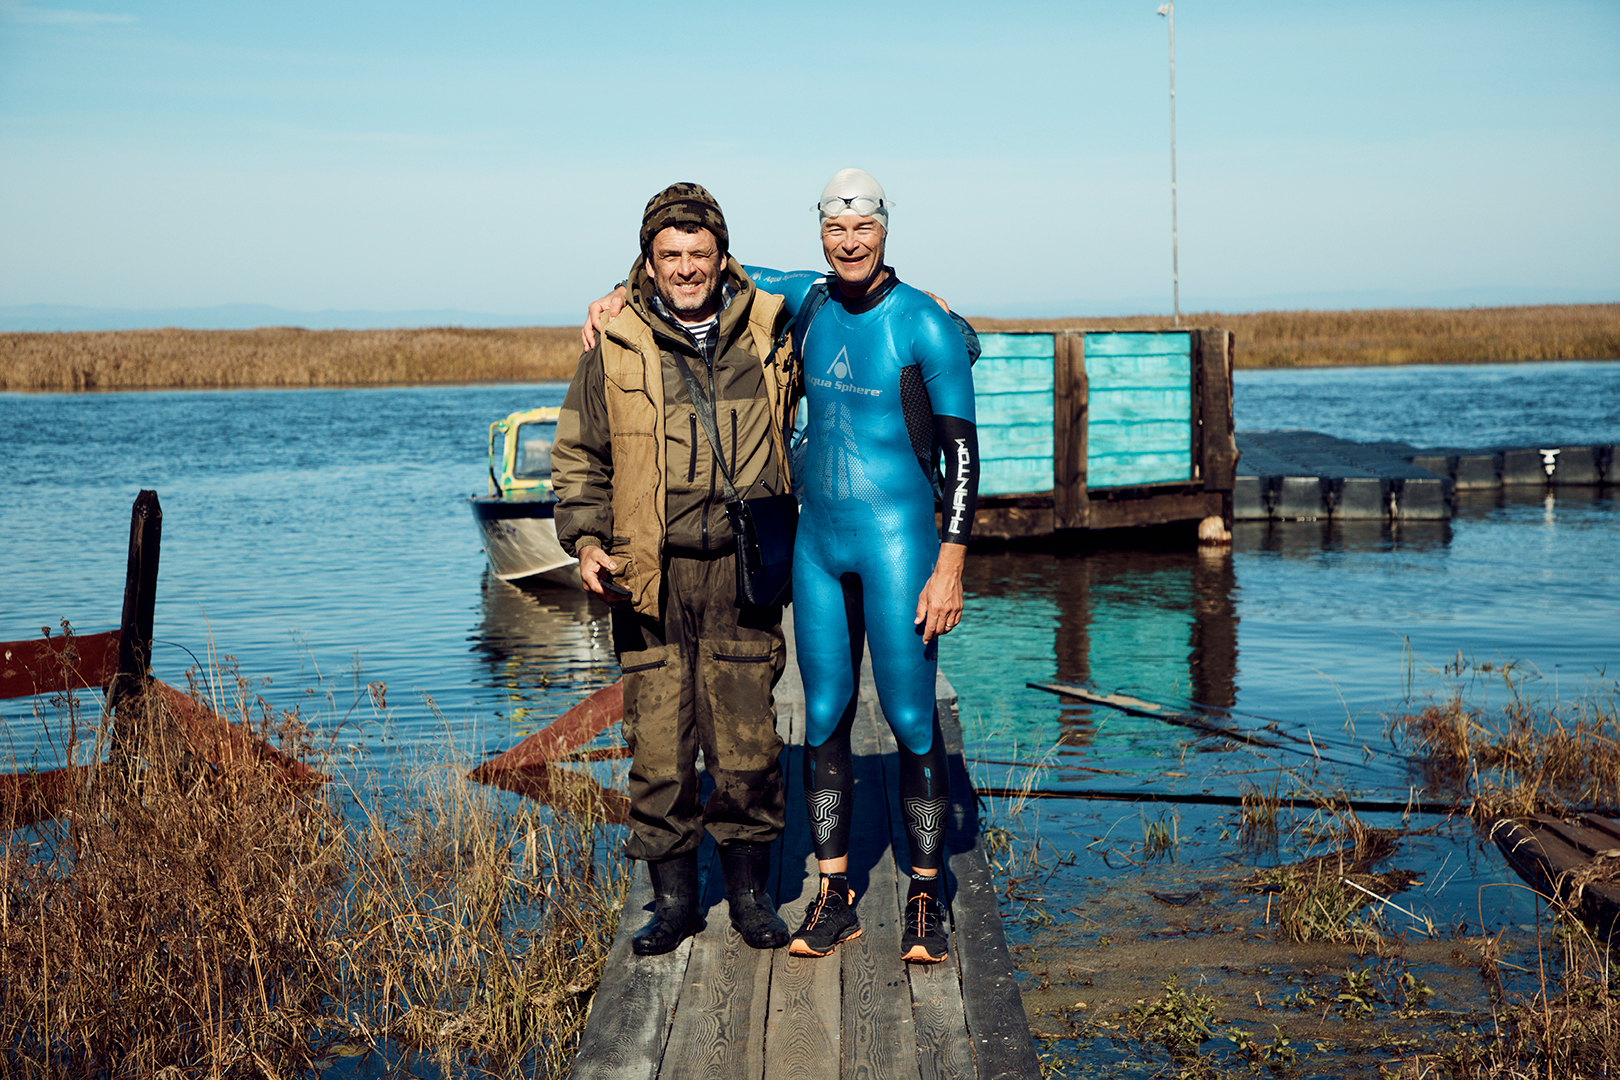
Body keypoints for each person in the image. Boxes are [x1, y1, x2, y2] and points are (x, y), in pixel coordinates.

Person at [584, 168, 980, 965]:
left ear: (885, 228)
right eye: (835, 228)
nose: (849, 241)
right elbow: (710, 266)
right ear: (822, 232)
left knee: (908, 717)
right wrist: (611, 295)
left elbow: (966, 457)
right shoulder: (807, 299)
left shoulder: (923, 324)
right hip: (817, 544)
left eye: (862, 227)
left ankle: (927, 898)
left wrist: (951, 564)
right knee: (825, 711)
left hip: (900, 540)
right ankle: (835, 897)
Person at [552, 183, 800, 956]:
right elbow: (577, 458)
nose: (686, 269)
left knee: (748, 745)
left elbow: (855, 283)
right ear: (648, 262)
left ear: (723, 256)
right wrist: (588, 544)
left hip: (740, 571)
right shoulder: (615, 340)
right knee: (659, 749)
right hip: (647, 576)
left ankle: (753, 898)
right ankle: (674, 906)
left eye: (699, 254)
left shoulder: (772, 325)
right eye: (670, 256)